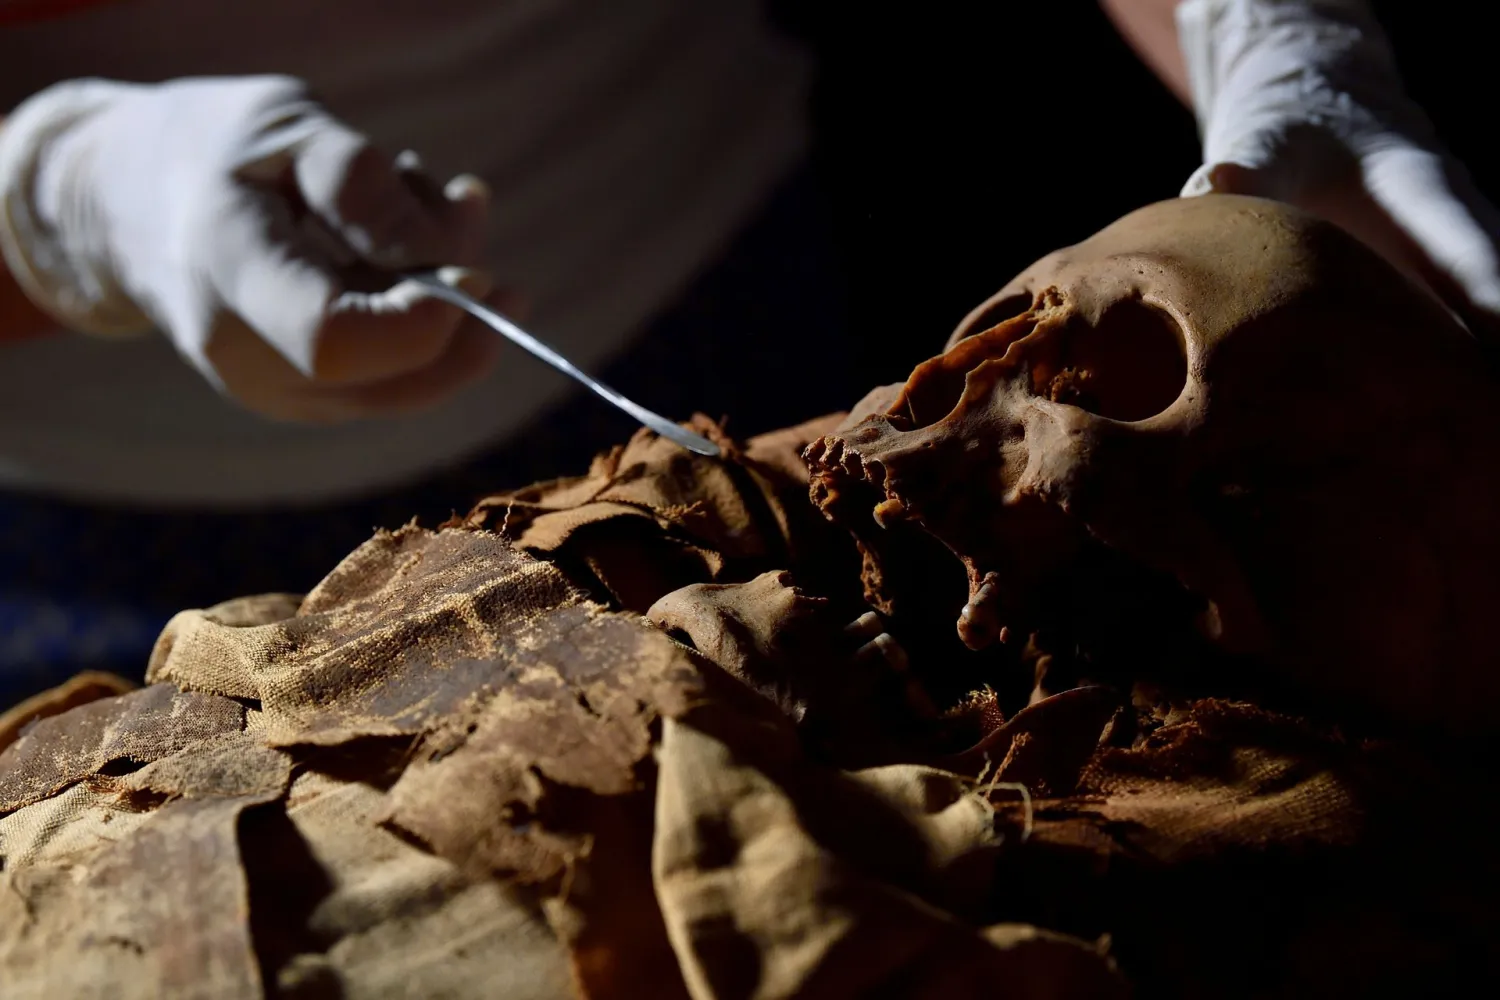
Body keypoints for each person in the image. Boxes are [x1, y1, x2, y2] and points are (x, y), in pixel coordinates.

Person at [1, 0, 1496, 705]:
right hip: (90, 500)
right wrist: (54, 199)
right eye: (993, 376)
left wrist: (1253, 19)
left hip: (699, 245)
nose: (906, 447)